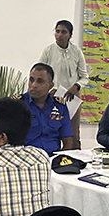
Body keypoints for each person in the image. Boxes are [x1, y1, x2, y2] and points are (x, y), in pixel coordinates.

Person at [38, 19, 88, 149]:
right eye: (57, 31)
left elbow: (84, 77)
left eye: (63, 32)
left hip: (72, 98)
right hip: (51, 96)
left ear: (70, 35)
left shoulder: (77, 52)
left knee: (72, 134)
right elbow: (39, 72)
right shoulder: (48, 51)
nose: (59, 35)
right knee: (50, 129)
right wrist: (50, 89)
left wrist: (76, 87)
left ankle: (74, 162)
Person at [21, 63, 74, 155]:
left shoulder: (59, 106)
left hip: (53, 159)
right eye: (31, 80)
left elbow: (68, 140)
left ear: (50, 85)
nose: (34, 85)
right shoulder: (18, 105)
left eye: (40, 81)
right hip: (26, 160)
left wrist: (60, 159)